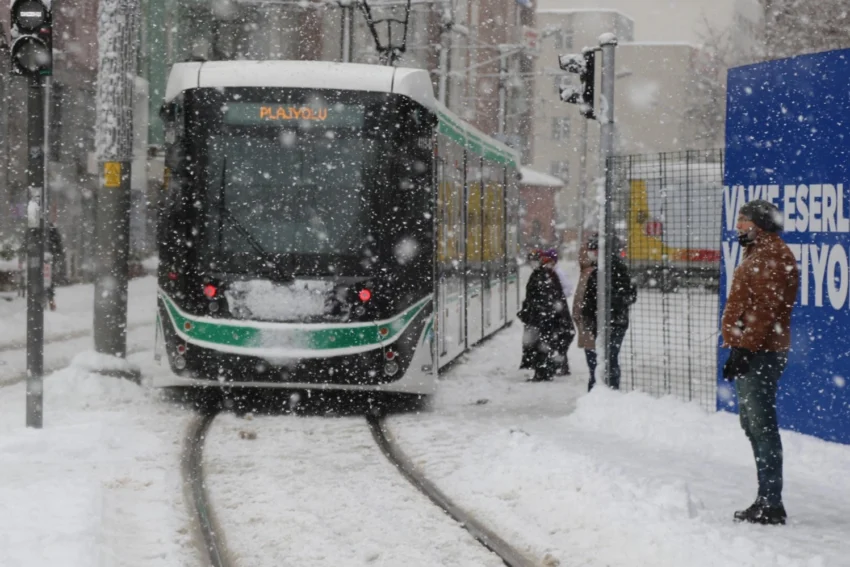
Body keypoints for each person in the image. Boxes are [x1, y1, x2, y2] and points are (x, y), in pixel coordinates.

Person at [721, 199, 798, 526]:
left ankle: (771, 502)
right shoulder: (760, 253)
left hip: (761, 353)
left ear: (760, 224)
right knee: (752, 424)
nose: (738, 226)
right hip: (755, 349)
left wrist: (745, 349)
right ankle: (766, 498)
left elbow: (764, 310)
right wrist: (740, 344)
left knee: (761, 425)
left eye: (743, 221)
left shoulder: (771, 257)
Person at [576, 236, 636, 391]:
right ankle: (601, 389)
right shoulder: (597, 268)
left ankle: (605, 389)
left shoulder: (613, 269)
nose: (590, 253)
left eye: (593, 249)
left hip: (611, 322)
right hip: (600, 322)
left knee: (606, 358)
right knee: (602, 358)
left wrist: (604, 305)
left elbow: (628, 295)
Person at [518, 249, 574, 382]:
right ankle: (547, 370)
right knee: (546, 342)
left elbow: (542, 298)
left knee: (542, 343)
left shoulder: (543, 275)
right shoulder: (546, 274)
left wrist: (535, 312)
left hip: (542, 317)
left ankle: (543, 371)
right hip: (545, 317)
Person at [548, 248, 575, 375]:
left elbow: (568, 289)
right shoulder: (553, 272)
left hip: (558, 308)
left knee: (560, 336)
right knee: (559, 337)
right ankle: (561, 365)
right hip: (557, 308)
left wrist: (557, 298)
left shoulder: (558, 273)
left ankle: (560, 366)